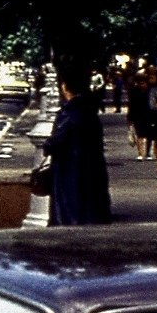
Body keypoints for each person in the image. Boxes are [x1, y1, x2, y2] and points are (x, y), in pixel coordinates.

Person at [42, 65, 112, 226]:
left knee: (70, 205)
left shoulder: (70, 112)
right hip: (91, 165)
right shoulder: (89, 110)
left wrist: (48, 146)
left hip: (70, 167)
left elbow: (59, 139)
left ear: (65, 86)